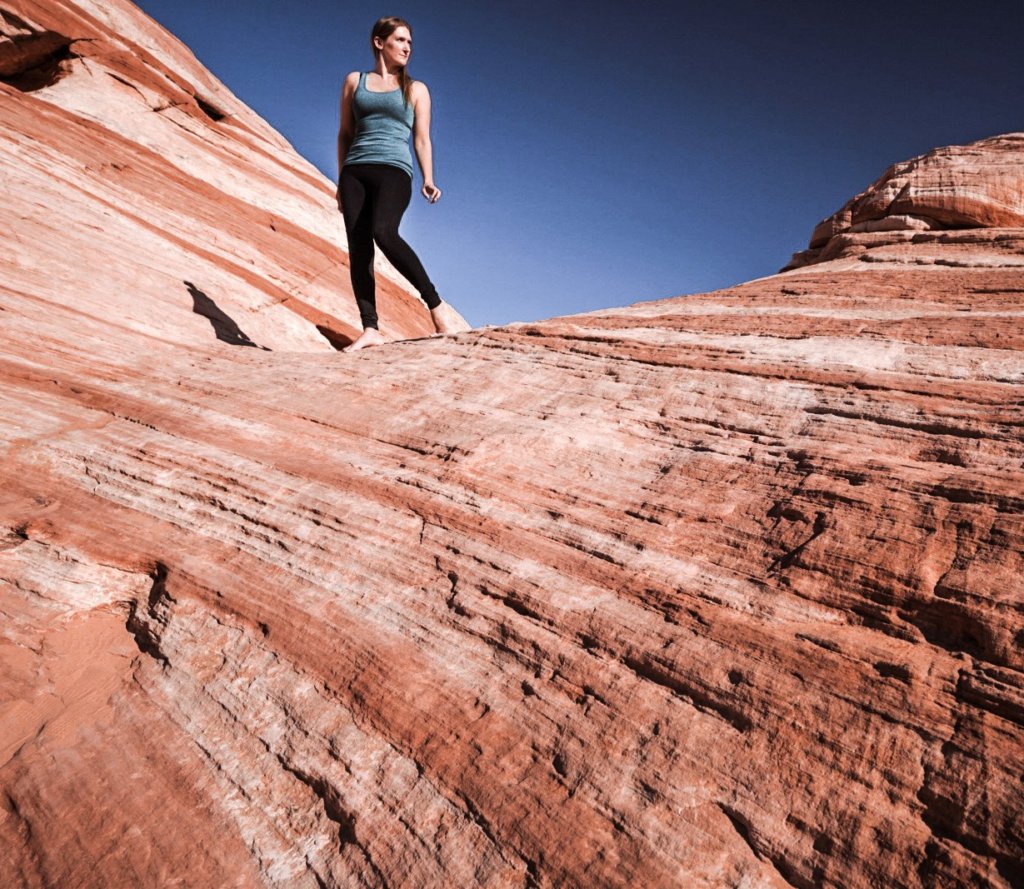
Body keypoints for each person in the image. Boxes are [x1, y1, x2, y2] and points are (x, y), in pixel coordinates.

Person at [336, 16, 469, 352]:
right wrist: (341, 179)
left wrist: (428, 177)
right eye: (400, 40)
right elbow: (345, 133)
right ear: (380, 42)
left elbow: (422, 139)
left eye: (410, 42)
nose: (408, 47)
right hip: (355, 171)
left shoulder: (416, 89)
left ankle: (435, 306)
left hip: (394, 170)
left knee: (384, 231)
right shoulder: (355, 81)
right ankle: (370, 328)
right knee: (359, 248)